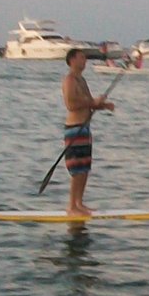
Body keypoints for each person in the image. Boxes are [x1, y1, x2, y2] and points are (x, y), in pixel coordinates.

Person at [61, 47, 115, 216]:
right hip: (74, 129)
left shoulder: (82, 80)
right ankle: (71, 206)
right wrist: (93, 102)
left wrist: (102, 105)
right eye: (81, 57)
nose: (85, 60)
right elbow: (71, 105)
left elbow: (89, 103)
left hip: (85, 128)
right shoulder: (69, 80)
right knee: (76, 169)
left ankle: (79, 203)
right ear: (72, 60)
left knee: (85, 168)